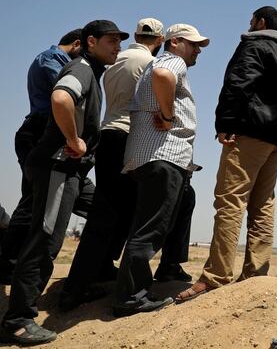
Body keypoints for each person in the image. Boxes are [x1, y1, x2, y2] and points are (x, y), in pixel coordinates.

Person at [0, 21, 127, 346]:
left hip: (72, 172)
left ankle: (94, 274)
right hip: (58, 165)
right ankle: (17, 321)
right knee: (46, 240)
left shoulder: (92, 72)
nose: (117, 46)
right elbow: (60, 98)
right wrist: (73, 138)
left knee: (105, 213)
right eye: (111, 40)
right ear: (90, 41)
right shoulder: (82, 68)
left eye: (119, 41)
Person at [176, 6, 277, 303]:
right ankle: (255, 275)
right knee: (263, 204)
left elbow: (238, 83)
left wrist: (225, 123)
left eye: (251, 21)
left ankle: (215, 277)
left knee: (230, 200)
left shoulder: (254, 45)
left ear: (260, 23)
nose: (248, 26)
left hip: (250, 134)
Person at [59, 18, 167, 310]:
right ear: (159, 39)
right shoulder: (151, 63)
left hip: (108, 135)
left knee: (115, 212)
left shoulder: (116, 61)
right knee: (111, 216)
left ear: (133, 36)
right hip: (128, 138)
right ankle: (75, 288)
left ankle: (101, 269)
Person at [112, 24, 209, 317]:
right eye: (194, 44)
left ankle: (137, 288)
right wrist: (168, 116)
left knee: (150, 224)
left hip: (150, 157)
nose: (198, 51)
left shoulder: (162, 60)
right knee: (149, 229)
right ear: (175, 42)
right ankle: (132, 296)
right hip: (163, 156)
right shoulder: (171, 61)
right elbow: (163, 75)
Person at [0, 29, 82, 283]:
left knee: (38, 198)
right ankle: (10, 264)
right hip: (38, 131)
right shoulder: (50, 59)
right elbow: (63, 97)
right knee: (32, 199)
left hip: (45, 132)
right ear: (78, 44)